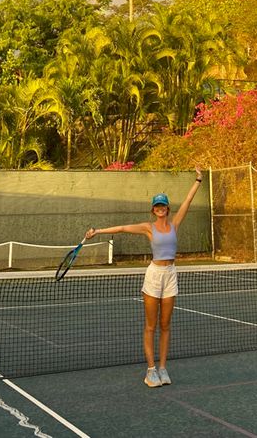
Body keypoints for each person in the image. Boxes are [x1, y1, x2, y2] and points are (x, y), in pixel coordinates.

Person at [84, 166, 203, 387]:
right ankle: (150, 370)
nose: (160, 209)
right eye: (157, 206)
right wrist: (97, 232)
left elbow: (187, 201)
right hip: (154, 275)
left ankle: (163, 368)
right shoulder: (148, 228)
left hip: (171, 275)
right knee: (151, 325)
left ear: (168, 208)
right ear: (153, 210)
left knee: (166, 325)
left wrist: (198, 180)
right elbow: (121, 228)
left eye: (163, 205)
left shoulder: (175, 225)